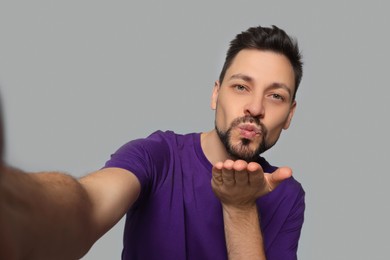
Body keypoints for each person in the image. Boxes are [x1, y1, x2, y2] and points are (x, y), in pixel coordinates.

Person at [0, 25, 305, 260]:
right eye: (241, 87)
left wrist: (240, 206)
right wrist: (14, 205)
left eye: (275, 96)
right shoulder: (158, 156)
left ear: (289, 115)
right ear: (216, 94)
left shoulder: (286, 195)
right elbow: (88, 204)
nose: (255, 108)